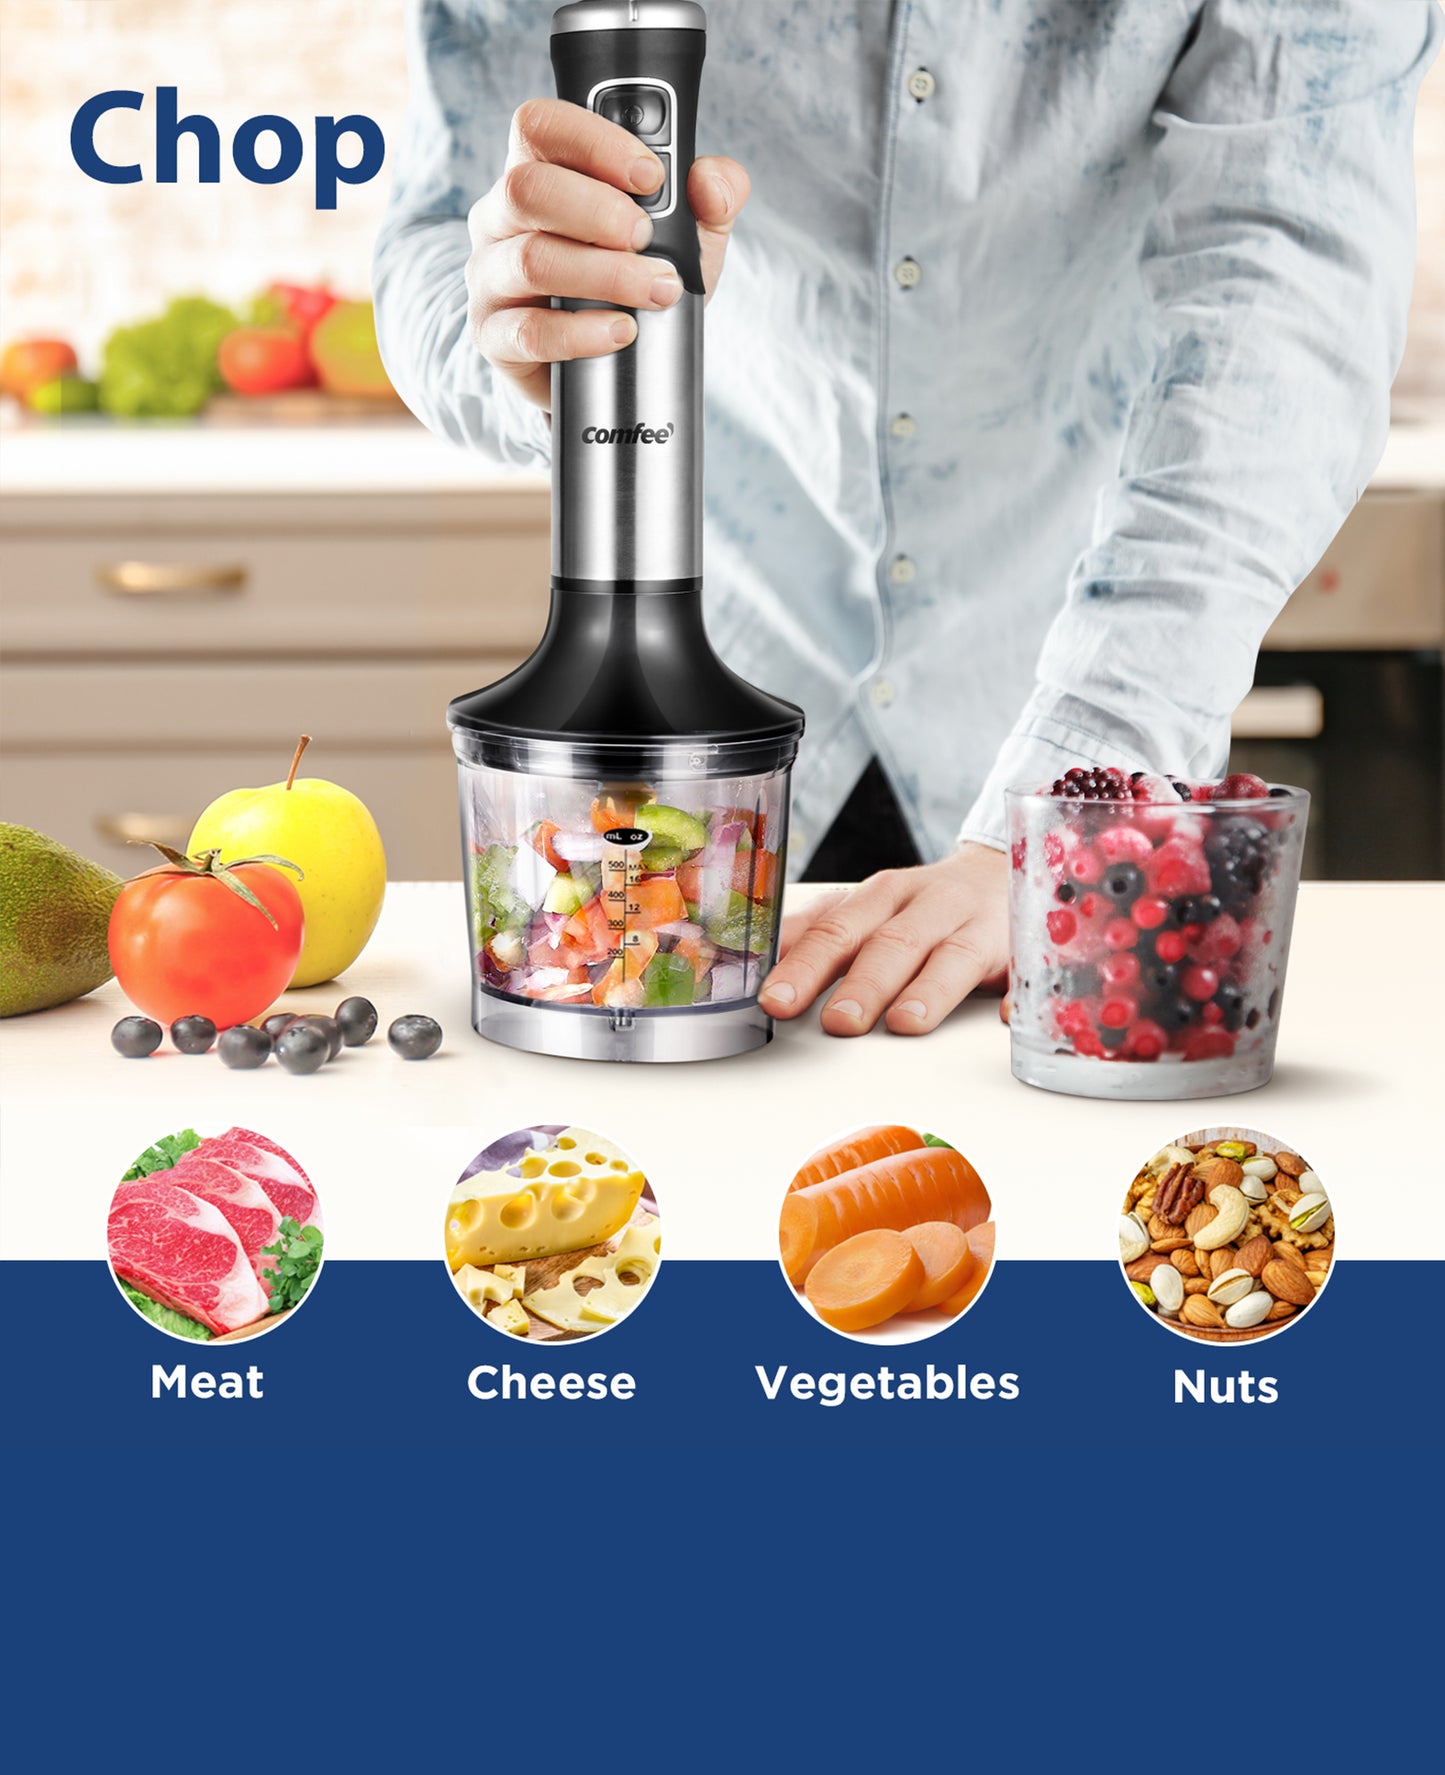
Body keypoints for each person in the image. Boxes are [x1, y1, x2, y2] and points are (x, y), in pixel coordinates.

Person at [375, 0, 1439, 1037]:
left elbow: (1283, 297)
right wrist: (508, 337)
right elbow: (438, 231)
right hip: (720, 725)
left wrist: (1081, 796)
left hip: (1063, 700)